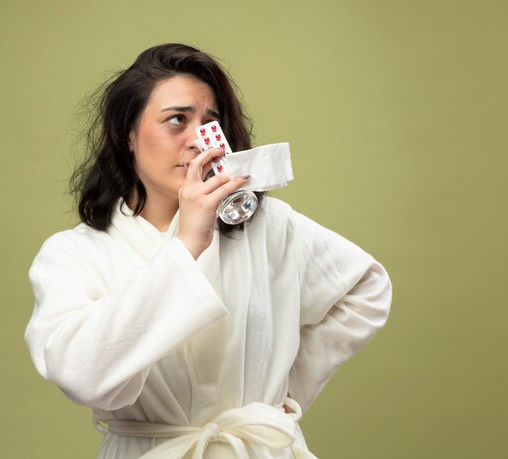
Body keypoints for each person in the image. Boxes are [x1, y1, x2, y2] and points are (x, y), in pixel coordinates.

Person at [25, 43, 392, 458]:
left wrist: (286, 395)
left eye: (209, 122)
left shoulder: (268, 225)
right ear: (128, 134)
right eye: (176, 120)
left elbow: (367, 287)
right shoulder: (74, 254)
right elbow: (81, 373)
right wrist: (187, 244)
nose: (198, 140)